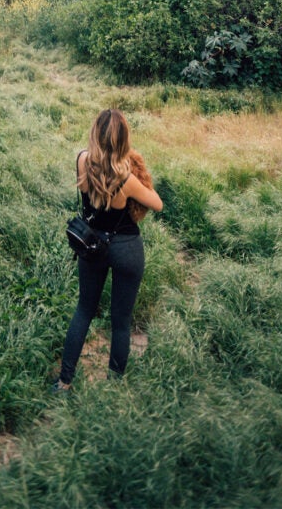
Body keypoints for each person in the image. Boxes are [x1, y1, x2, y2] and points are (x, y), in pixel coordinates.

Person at [53, 108, 163, 390]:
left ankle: (64, 382)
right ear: (124, 140)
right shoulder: (127, 180)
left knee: (84, 310)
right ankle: (113, 388)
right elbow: (157, 203)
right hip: (126, 248)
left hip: (92, 245)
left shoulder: (81, 161)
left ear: (94, 134)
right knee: (121, 322)